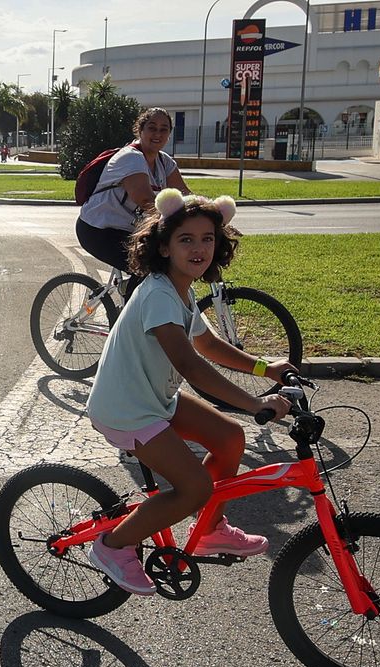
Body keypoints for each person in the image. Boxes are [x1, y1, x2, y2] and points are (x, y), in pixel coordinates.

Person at [82, 189, 297, 595]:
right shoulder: (160, 293)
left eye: (207, 239)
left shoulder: (178, 289)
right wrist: (254, 403)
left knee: (230, 438)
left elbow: (209, 345)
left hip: (152, 398)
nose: (199, 248)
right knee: (194, 487)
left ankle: (211, 527)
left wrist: (264, 367)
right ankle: (113, 546)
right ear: (163, 247)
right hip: (127, 408)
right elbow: (190, 364)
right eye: (186, 239)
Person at [76, 107, 190, 290]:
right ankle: (131, 318)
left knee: (164, 263)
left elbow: (185, 195)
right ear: (140, 130)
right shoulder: (131, 158)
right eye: (152, 128)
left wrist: (208, 213)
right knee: (147, 269)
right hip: (98, 230)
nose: (157, 134)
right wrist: (181, 222)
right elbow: (146, 201)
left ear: (169, 134)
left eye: (164, 129)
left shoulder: (164, 161)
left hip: (128, 229)